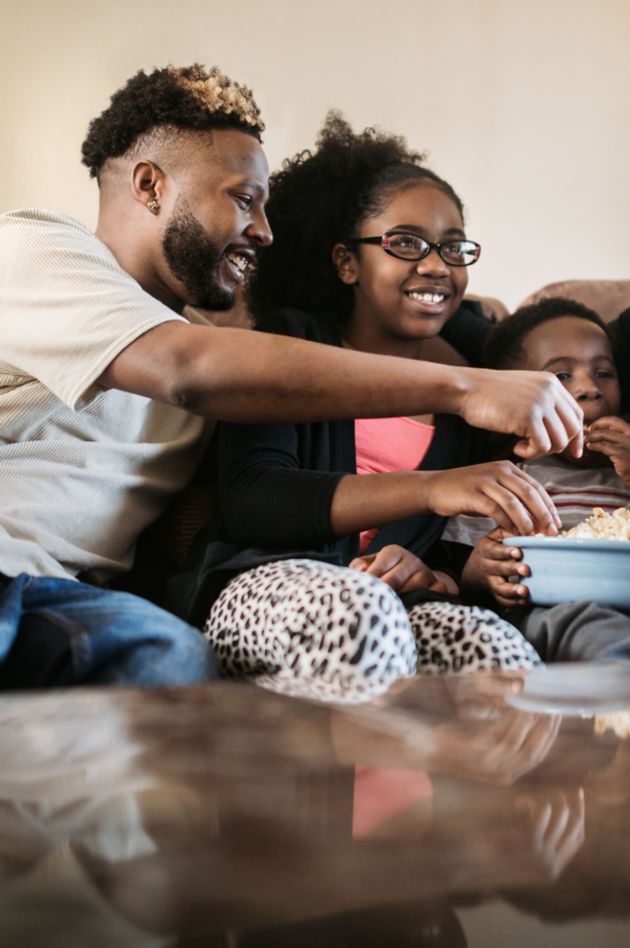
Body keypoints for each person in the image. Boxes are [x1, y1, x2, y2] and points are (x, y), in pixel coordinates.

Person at [0, 65, 582, 691]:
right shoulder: (36, 250)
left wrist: (485, 335)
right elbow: (188, 370)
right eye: (243, 198)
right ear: (150, 185)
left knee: (169, 662)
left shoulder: (223, 345)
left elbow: (300, 352)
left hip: (69, 602)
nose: (265, 231)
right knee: (164, 659)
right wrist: (468, 389)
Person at [168, 114, 568, 701]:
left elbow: (462, 545)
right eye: (404, 242)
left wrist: (437, 574)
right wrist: (431, 487)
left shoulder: (475, 383)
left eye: (453, 247)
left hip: (403, 600)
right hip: (264, 585)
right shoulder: (291, 344)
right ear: (346, 263)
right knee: (361, 613)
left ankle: (485, 793)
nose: (436, 264)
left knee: (498, 651)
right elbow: (253, 499)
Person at [450, 297, 630, 662]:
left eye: (604, 372)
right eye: (562, 376)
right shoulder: (507, 479)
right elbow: (465, 571)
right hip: (554, 607)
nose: (589, 388)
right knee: (588, 626)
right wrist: (479, 572)